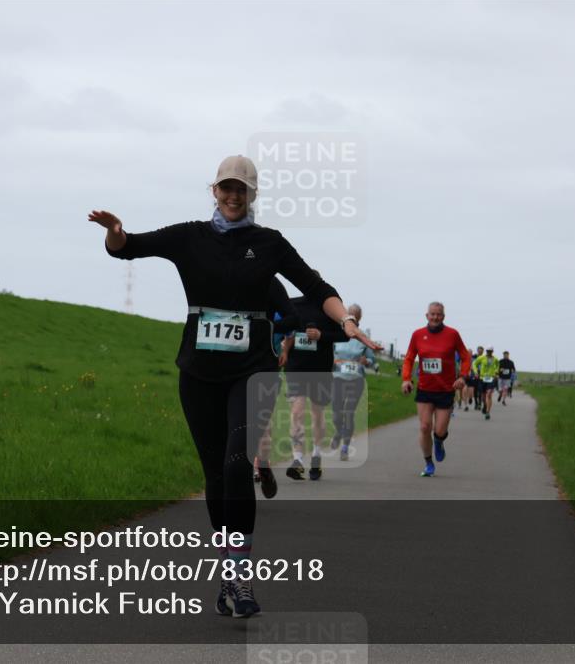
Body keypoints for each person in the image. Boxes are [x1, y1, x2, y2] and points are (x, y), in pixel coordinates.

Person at [89, 155, 378, 619]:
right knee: (216, 476)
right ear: (214, 191)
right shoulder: (189, 237)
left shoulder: (269, 243)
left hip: (252, 372)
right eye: (226, 187)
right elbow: (128, 248)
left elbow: (316, 285)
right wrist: (115, 231)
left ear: (252, 194)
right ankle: (228, 572)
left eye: (241, 189)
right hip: (198, 375)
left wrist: (345, 320)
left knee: (238, 462)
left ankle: (241, 576)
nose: (233, 196)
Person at [282, 278, 350, 481]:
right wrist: (284, 350)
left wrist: (321, 335)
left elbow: (345, 335)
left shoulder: (330, 307)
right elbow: (285, 330)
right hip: (296, 368)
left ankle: (316, 455)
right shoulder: (293, 304)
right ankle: (297, 460)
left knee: (317, 414)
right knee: (296, 412)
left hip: (320, 369)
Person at [400, 302, 471, 477]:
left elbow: (465, 357)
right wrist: (406, 379)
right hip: (425, 389)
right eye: (432, 314)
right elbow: (409, 358)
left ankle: (439, 442)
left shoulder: (452, 334)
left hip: (446, 389)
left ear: (443, 316)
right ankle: (428, 463)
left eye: (438, 314)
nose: (435, 317)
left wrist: (462, 377)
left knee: (439, 431)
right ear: (427, 316)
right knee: (425, 427)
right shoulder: (418, 335)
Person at [253, 277, 299, 499]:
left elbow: (290, 333)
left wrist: (285, 351)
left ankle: (261, 463)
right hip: (239, 368)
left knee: (263, 421)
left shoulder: (278, 309)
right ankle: (257, 463)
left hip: (266, 367)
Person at [330, 304, 377, 461]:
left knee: (349, 412)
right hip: (338, 379)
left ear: (359, 319)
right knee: (336, 413)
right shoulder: (337, 333)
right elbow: (329, 353)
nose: (352, 318)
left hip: (356, 380)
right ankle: (339, 431)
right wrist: (331, 360)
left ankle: (345, 447)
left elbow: (372, 359)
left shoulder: (362, 337)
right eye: (350, 315)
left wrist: (367, 361)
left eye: (355, 316)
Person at [473, 347, 500, 420]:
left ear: (492, 351)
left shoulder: (495, 359)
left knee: (489, 394)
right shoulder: (481, 358)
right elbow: (474, 364)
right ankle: (485, 405)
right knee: (483, 396)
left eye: (490, 351)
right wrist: (476, 372)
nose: (489, 352)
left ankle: (488, 412)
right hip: (482, 378)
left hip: (491, 379)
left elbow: (498, 365)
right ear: (486, 351)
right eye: (488, 351)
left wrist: (496, 373)